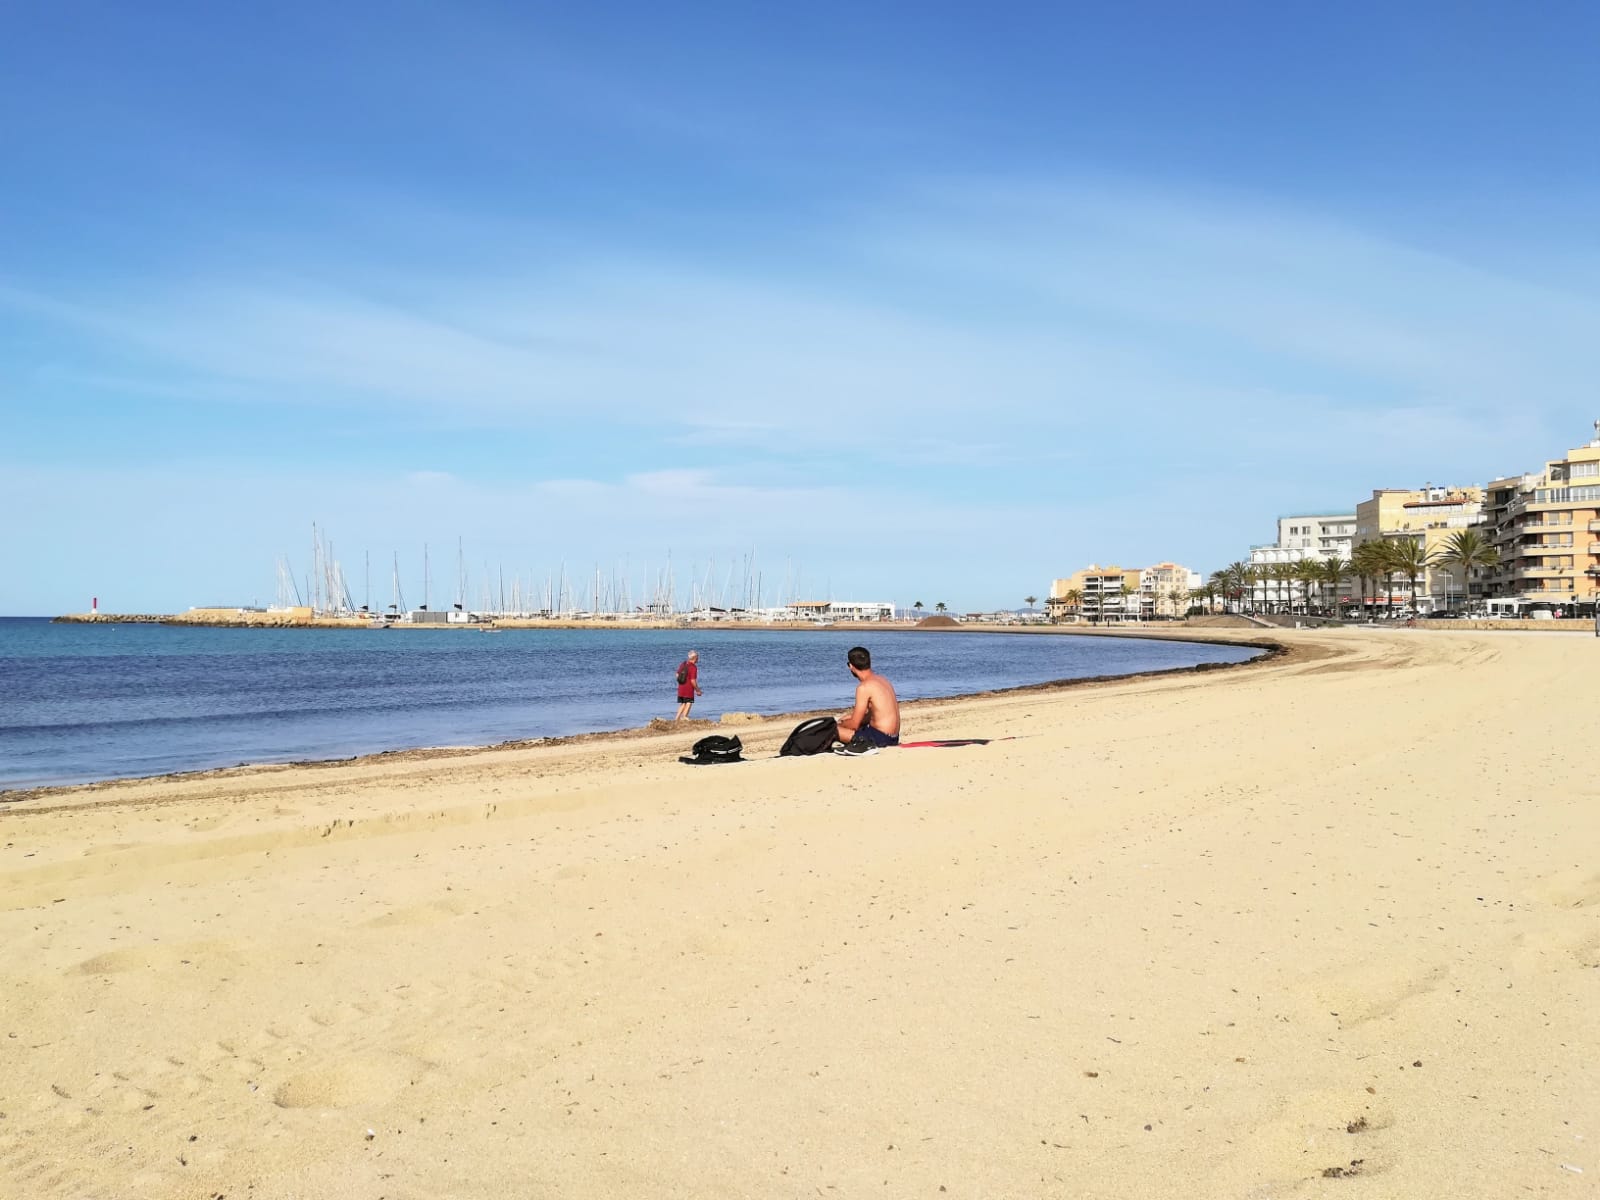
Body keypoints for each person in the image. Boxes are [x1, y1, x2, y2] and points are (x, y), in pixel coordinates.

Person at [836, 645, 900, 748]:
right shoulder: (882, 680)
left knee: (833, 731)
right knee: (848, 720)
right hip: (893, 737)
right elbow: (874, 715)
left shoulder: (864, 687)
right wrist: (849, 718)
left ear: (851, 666)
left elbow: (854, 725)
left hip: (881, 739)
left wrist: (840, 724)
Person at [674, 650, 702, 721]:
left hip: (681, 687)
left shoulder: (683, 663)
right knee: (689, 702)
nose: (698, 658)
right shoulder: (693, 667)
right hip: (688, 689)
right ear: (695, 657)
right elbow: (693, 681)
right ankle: (684, 717)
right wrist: (698, 690)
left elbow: (677, 674)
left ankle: (676, 719)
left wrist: (681, 682)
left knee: (683, 703)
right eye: (697, 657)